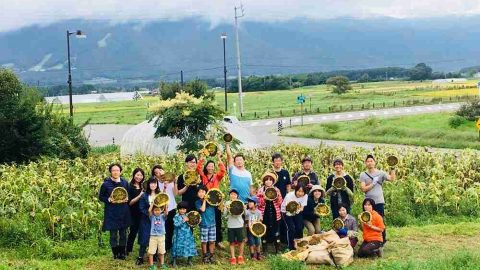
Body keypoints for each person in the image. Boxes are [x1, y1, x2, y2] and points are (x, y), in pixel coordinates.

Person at [359, 154, 395, 245]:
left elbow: (392, 179)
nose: (370, 163)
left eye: (371, 161)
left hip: (379, 201)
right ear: (365, 163)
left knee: (380, 220)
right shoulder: (363, 174)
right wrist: (373, 183)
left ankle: (381, 240)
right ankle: (368, 239)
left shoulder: (381, 173)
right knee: (366, 220)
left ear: (374, 162)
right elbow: (363, 188)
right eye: (368, 161)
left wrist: (393, 168)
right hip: (368, 203)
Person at [98, 163, 131, 260]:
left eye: (117, 170)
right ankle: (115, 253)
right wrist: (108, 199)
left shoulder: (125, 182)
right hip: (111, 212)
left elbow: (128, 194)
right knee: (113, 234)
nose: (115, 172)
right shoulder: (105, 184)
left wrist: (127, 198)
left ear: (120, 171)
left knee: (123, 233)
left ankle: (122, 253)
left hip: (123, 211)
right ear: (111, 172)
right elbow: (101, 197)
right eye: (113, 170)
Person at [197, 150, 226, 249]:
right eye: (209, 166)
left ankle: (218, 240)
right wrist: (202, 157)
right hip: (206, 201)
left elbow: (223, 171)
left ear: (214, 168)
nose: (210, 168)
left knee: (217, 221)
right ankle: (208, 241)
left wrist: (219, 158)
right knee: (207, 220)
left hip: (216, 201)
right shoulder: (203, 177)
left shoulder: (217, 176)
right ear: (206, 167)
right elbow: (198, 168)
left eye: (212, 166)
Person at [151, 165, 179, 252]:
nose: (159, 173)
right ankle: (161, 248)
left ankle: (169, 247)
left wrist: (174, 182)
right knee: (163, 228)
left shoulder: (170, 181)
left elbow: (176, 194)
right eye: (156, 172)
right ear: (155, 175)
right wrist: (165, 186)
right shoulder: (156, 184)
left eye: (160, 170)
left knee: (171, 228)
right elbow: (159, 197)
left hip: (172, 207)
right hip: (162, 210)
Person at [256, 172, 283, 253]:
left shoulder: (277, 190)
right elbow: (259, 204)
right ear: (264, 181)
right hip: (264, 213)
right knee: (264, 229)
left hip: (275, 213)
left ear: (273, 181)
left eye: (270, 180)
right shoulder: (261, 190)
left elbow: (280, 203)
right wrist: (264, 198)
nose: (268, 181)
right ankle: (265, 249)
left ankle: (277, 248)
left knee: (276, 230)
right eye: (266, 180)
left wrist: (276, 197)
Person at [137, 178, 160, 265]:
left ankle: (154, 255)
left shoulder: (160, 194)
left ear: (157, 185)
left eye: (155, 183)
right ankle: (140, 257)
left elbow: (163, 206)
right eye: (151, 183)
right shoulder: (144, 196)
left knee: (156, 237)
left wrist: (158, 214)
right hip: (146, 219)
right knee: (144, 237)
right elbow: (141, 208)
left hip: (157, 220)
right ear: (148, 185)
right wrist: (149, 214)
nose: (153, 185)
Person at [271, 153, 291, 248]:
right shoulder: (270, 173)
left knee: (283, 219)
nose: (278, 162)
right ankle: (272, 240)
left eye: (279, 160)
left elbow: (288, 185)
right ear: (273, 162)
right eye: (276, 161)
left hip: (283, 200)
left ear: (281, 161)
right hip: (272, 200)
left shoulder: (285, 172)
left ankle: (283, 240)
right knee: (274, 219)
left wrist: (289, 195)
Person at [280, 185, 308, 250]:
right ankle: (291, 247)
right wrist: (296, 210)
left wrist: (298, 210)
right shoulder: (289, 196)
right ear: (295, 190)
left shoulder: (305, 196)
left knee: (299, 227)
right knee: (291, 228)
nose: (300, 193)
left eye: (302, 192)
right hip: (287, 211)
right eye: (299, 191)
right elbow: (289, 209)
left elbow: (302, 208)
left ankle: (299, 244)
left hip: (297, 211)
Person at [224, 189, 246, 265]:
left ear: (237, 196)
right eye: (231, 194)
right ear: (229, 195)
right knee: (231, 242)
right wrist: (227, 209)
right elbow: (224, 215)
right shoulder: (227, 203)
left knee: (241, 241)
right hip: (230, 225)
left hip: (239, 225)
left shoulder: (240, 203)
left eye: (235, 194)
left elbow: (243, 214)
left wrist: (242, 208)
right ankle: (233, 258)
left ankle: (240, 256)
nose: (233, 195)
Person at [172, 201, 197, 267]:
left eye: (184, 209)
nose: (182, 211)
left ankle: (189, 260)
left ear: (186, 209)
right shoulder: (176, 216)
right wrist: (183, 220)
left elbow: (192, 223)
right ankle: (174, 261)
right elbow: (176, 224)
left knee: (189, 246)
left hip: (187, 235)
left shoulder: (188, 215)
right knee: (176, 247)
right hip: (178, 235)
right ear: (178, 209)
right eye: (181, 209)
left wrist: (194, 221)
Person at [126, 168, 145, 256]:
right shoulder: (129, 186)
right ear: (134, 175)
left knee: (143, 231)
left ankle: (143, 248)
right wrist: (140, 195)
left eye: (141, 175)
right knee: (133, 231)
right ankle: (128, 249)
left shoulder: (143, 186)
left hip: (143, 212)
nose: (139, 177)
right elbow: (130, 202)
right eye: (137, 175)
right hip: (133, 212)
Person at [195, 186, 216, 264]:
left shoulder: (211, 200)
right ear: (197, 194)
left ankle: (211, 256)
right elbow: (202, 210)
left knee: (212, 241)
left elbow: (219, 205)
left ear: (206, 193)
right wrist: (204, 200)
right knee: (204, 241)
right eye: (199, 192)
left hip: (212, 224)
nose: (201, 193)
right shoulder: (197, 202)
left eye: (203, 192)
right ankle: (205, 256)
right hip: (203, 224)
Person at [147, 203, 168, 270]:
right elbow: (149, 211)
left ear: (161, 210)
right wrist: (153, 204)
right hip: (153, 236)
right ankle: (151, 265)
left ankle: (162, 264)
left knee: (162, 251)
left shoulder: (162, 216)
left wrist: (165, 205)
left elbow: (166, 213)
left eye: (158, 210)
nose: (157, 211)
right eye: (155, 210)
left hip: (161, 236)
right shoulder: (152, 217)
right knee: (151, 251)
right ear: (153, 211)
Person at [245, 196, 263, 260]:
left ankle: (258, 255)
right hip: (249, 230)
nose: (249, 203)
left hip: (257, 230)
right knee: (251, 243)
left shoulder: (259, 212)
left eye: (251, 202)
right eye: (248, 202)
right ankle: (252, 256)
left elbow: (260, 221)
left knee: (258, 243)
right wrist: (249, 227)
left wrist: (257, 225)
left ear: (255, 204)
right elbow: (247, 222)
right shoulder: (247, 212)